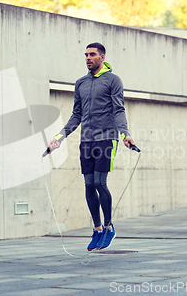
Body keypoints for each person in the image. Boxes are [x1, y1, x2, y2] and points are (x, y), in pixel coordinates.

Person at [48, 42, 135, 251]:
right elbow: (76, 115)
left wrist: (125, 134)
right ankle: (97, 229)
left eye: (92, 55)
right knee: (88, 185)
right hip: (86, 140)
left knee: (99, 182)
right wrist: (59, 137)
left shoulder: (113, 81)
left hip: (106, 138)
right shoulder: (80, 83)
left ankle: (108, 227)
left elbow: (119, 110)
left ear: (102, 57)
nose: (88, 58)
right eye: (86, 55)